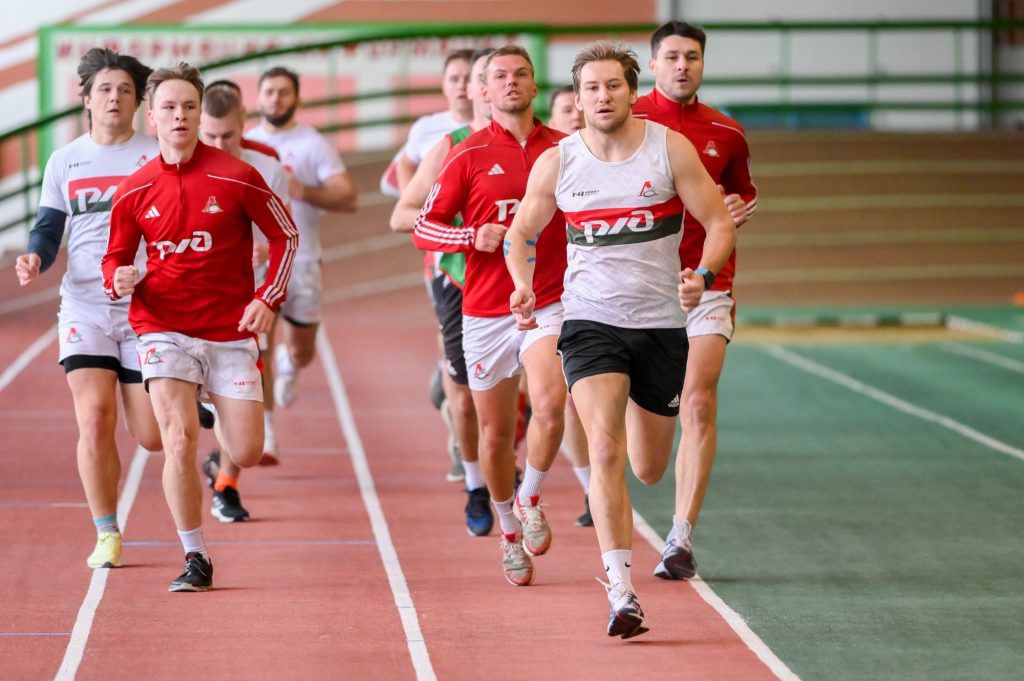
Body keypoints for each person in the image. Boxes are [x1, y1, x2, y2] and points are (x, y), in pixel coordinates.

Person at [503, 42, 735, 638]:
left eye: (612, 86)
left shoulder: (669, 149)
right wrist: (523, 284)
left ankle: (636, 422)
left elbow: (719, 221)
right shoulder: (558, 161)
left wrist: (703, 274)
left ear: (633, 92)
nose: (602, 97)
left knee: (648, 468)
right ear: (577, 99)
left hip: (660, 324)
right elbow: (521, 231)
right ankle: (622, 592)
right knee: (604, 449)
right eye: (591, 88)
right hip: (589, 322)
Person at [101, 63, 298, 591]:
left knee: (249, 450)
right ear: (151, 117)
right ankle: (195, 556)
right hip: (161, 326)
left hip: (229, 329)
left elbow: (286, 236)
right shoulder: (134, 188)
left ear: (198, 112)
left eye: (189, 106)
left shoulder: (237, 175)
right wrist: (117, 278)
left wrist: (268, 298)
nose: (179, 116)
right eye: (169, 107)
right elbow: (114, 258)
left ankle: (211, 406)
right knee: (177, 441)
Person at [413, 46, 568, 586]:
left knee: (549, 405)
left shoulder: (564, 149)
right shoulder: (466, 153)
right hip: (485, 309)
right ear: (483, 91)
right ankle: (507, 531)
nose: (511, 82)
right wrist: (470, 236)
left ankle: (530, 497)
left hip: (548, 299)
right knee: (497, 435)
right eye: (499, 76)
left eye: (521, 74)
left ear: (534, 85)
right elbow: (423, 226)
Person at [14, 48, 162, 571]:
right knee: (95, 419)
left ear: (138, 102)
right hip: (84, 306)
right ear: (86, 99)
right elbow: (48, 227)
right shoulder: (65, 160)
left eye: (125, 90)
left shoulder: (157, 156)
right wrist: (35, 256)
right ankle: (107, 532)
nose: (114, 98)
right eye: (105, 89)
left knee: (152, 435)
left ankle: (187, 399)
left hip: (146, 306)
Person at [633, 21, 757, 580]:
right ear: (653, 65)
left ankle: (680, 538)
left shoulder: (727, 132)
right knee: (646, 465)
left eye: (693, 57)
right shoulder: (629, 119)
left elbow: (743, 194)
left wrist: (738, 210)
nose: (683, 65)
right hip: (638, 287)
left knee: (699, 401)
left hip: (708, 282)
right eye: (673, 57)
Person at [391, 47, 495, 536]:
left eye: (512, 75)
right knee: (467, 397)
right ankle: (476, 483)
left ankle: (520, 477)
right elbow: (403, 213)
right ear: (473, 90)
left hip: (528, 282)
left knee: (537, 393)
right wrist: (463, 234)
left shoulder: (545, 145)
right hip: (459, 277)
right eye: (485, 78)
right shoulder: (447, 143)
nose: (499, 86)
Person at [197, 82, 292, 522]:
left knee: (238, 392)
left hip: (245, 298)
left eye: (228, 136)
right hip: (190, 296)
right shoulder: (181, 162)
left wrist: (265, 259)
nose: (219, 146)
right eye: (210, 136)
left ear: (244, 124)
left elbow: (284, 234)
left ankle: (226, 484)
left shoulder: (267, 166)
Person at [246, 66, 357, 413]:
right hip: (258, 261)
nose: (275, 99)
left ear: (297, 100)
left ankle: (291, 363)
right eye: (269, 92)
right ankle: (266, 431)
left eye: (284, 92)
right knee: (257, 349)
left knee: (302, 351)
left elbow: (348, 198)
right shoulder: (245, 143)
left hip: (302, 260)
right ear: (258, 98)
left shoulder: (313, 144)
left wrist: (302, 190)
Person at [545, 84, 593, 528]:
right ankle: (592, 487)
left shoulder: (611, 159)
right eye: (566, 110)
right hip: (549, 297)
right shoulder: (546, 163)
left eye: (578, 110)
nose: (575, 117)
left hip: (599, 295)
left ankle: (599, 479)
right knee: (564, 401)